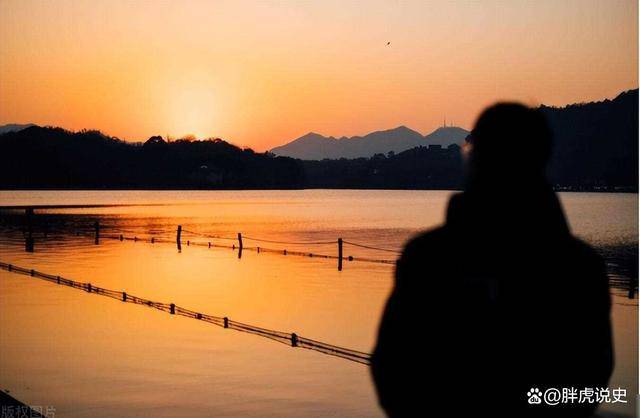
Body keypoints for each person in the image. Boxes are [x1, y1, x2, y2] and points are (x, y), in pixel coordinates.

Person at [371, 103, 613, 417]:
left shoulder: (430, 256)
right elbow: (589, 381)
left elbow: (393, 370)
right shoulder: (578, 266)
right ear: (542, 160)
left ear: (476, 160)